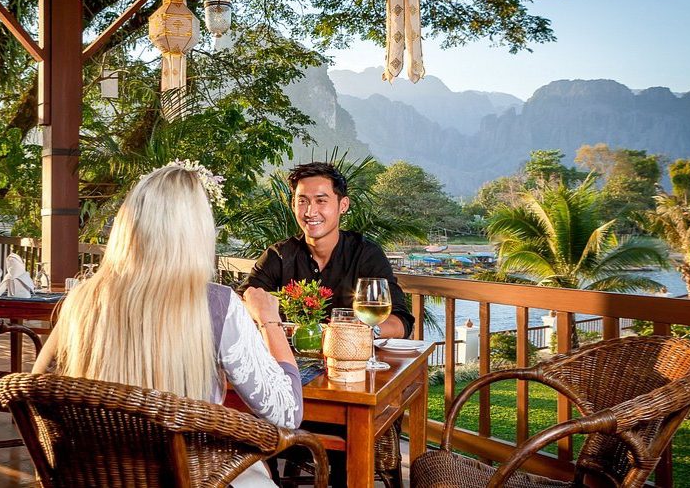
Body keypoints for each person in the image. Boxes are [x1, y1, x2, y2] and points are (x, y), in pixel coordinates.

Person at [33, 162, 300, 487]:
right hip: (191, 477)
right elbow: (286, 414)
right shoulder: (217, 304)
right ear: (197, 231)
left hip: (97, 475)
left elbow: (36, 390)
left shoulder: (82, 300)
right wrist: (269, 319)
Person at [238, 162, 414, 339]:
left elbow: (401, 322)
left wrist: (365, 330)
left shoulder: (366, 254)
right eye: (302, 201)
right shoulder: (279, 255)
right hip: (289, 361)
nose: (310, 211)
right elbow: (241, 301)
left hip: (352, 360)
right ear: (293, 205)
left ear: (343, 205)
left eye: (321, 201)